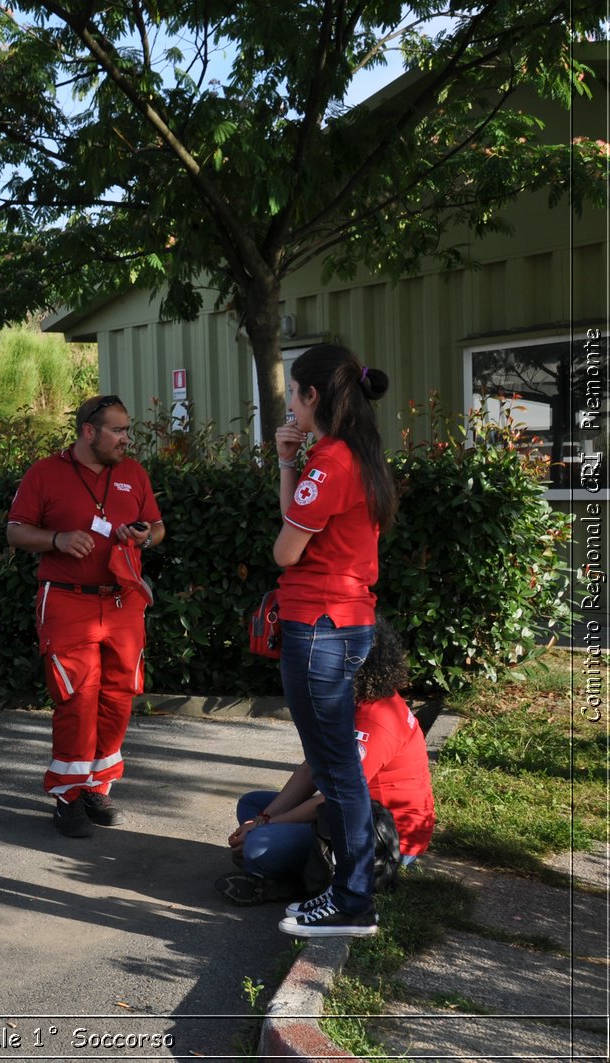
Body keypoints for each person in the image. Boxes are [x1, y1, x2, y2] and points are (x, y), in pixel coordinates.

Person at [270, 344, 396, 938]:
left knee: (338, 770)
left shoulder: (333, 462)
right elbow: (301, 522)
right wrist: (286, 462)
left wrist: (297, 468)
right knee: (334, 765)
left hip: (320, 625)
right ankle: (349, 895)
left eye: (293, 392)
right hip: (342, 622)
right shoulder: (351, 457)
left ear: (312, 396)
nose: (289, 404)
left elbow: (285, 549)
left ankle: (351, 900)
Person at [6, 394, 164, 838]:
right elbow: (15, 530)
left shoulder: (133, 473)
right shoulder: (45, 472)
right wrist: (56, 539)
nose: (126, 439)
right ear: (88, 431)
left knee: (118, 696)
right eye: (117, 430)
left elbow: (157, 526)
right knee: (77, 696)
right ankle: (68, 796)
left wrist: (144, 537)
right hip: (68, 599)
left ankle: (97, 785)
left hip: (122, 601)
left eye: (127, 429)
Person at [218, 623, 435, 905]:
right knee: (251, 804)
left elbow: (335, 798)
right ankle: (296, 865)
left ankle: (298, 882)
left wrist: (262, 830)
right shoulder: (356, 701)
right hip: (349, 817)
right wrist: (264, 819)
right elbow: (312, 768)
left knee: (259, 849)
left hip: (384, 840)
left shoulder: (374, 720)